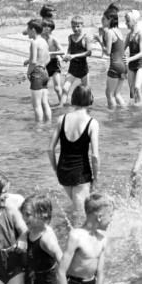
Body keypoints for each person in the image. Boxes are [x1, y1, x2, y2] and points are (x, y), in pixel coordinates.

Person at [57, 192, 113, 284]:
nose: (111, 220)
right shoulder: (76, 236)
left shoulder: (102, 240)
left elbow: (100, 274)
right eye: (110, 215)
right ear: (99, 217)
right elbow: (60, 272)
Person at [48, 85, 101, 214]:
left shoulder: (62, 119)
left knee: (76, 207)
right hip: (80, 173)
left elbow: (50, 149)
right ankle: (74, 232)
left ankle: (67, 230)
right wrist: (96, 178)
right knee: (81, 212)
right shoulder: (92, 123)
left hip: (63, 171)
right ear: (90, 100)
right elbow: (94, 156)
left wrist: (56, 168)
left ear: (73, 99)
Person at [21, 194, 63, 284]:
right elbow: (25, 235)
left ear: (42, 216)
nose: (24, 218)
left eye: (28, 215)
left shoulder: (46, 238)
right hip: (33, 282)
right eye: (23, 214)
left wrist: (68, 281)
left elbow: (61, 258)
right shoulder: (31, 231)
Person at [100, 4, 127, 109]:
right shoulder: (119, 31)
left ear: (110, 19)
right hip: (124, 66)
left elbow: (108, 52)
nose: (103, 20)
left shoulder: (110, 32)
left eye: (104, 19)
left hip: (115, 65)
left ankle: (112, 117)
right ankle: (125, 112)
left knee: (109, 94)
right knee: (117, 94)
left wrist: (99, 41)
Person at [24, 18, 51, 122]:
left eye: (28, 29)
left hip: (37, 74)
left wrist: (29, 72)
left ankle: (38, 130)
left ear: (33, 30)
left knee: (37, 106)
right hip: (45, 72)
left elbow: (34, 61)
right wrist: (42, 65)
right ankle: (48, 125)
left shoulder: (34, 43)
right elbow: (48, 58)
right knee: (45, 103)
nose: (27, 32)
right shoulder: (44, 41)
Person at [61, 15, 91, 104]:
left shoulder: (86, 38)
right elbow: (69, 49)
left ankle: (88, 109)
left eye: (78, 26)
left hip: (83, 69)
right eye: (73, 26)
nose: (75, 29)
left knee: (87, 92)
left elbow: (89, 52)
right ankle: (61, 107)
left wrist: (74, 56)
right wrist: (67, 56)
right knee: (65, 88)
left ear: (82, 26)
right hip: (72, 68)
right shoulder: (70, 37)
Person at [123, 10, 142, 104]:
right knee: (132, 92)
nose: (126, 23)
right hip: (131, 66)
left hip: (141, 64)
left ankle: (141, 108)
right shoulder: (129, 35)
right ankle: (135, 107)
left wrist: (129, 59)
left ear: (134, 21)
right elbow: (122, 49)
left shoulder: (140, 34)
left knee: (137, 87)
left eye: (127, 21)